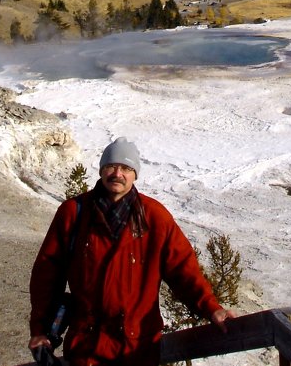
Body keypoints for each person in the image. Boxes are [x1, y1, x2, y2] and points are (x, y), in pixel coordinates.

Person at [28, 137, 235, 366]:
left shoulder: (155, 217)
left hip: (137, 350)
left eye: (126, 168)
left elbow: (183, 271)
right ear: (101, 170)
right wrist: (40, 329)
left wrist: (212, 308)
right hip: (86, 347)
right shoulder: (74, 213)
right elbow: (47, 275)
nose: (118, 173)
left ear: (135, 174)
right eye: (111, 166)